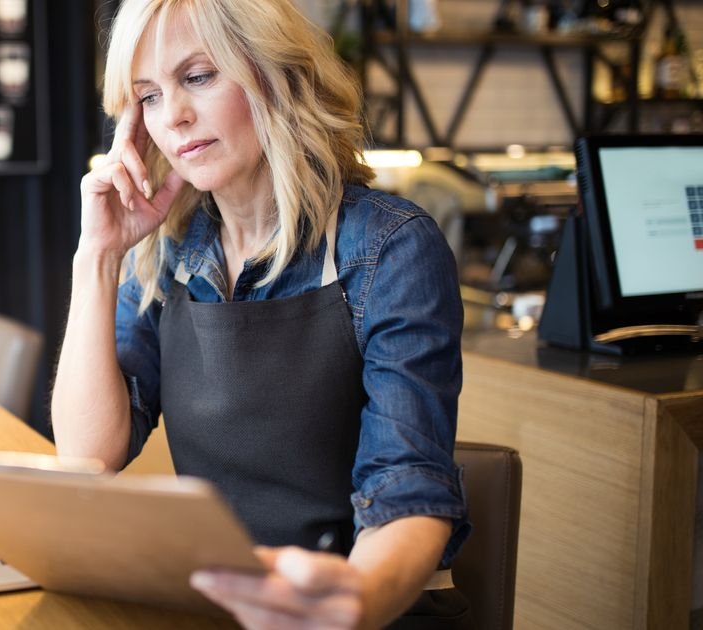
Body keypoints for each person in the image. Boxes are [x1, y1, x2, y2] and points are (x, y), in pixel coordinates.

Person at [50, 0, 470, 627]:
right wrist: (99, 257)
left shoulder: (389, 247)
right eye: (149, 98)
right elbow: (89, 453)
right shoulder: (167, 249)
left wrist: (357, 599)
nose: (176, 118)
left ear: (274, 73)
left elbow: (408, 482)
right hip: (215, 604)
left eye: (197, 77)